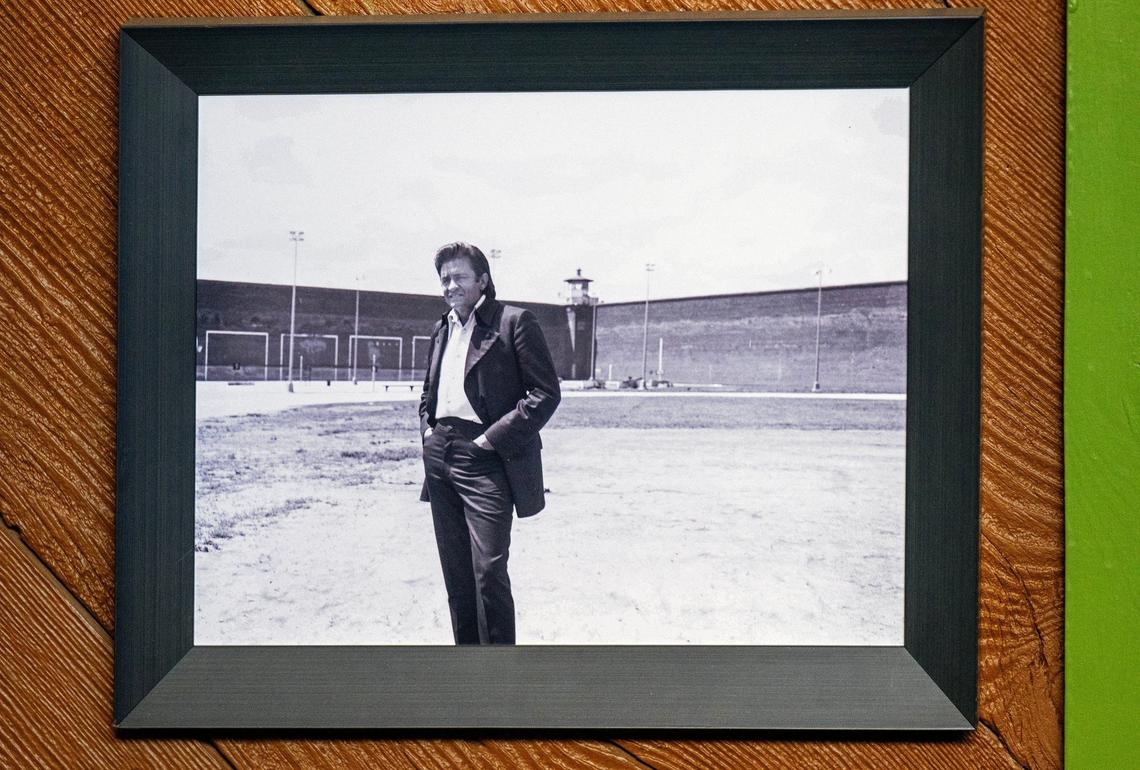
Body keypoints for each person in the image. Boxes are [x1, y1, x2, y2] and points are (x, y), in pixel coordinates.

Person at [418, 242, 561, 645]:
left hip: (487, 457)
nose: (451, 285)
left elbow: (544, 393)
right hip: (440, 455)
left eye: (460, 276)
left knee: (489, 572)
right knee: (456, 573)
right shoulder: (442, 326)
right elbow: (430, 391)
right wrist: (427, 430)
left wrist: (487, 441)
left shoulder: (514, 322)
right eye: (445, 279)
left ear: (482, 280)